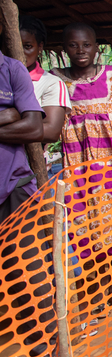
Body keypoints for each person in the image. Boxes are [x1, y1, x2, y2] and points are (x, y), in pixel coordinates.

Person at [51, 22, 112, 167]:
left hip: (111, 144)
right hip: (76, 146)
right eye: (73, 45)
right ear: (64, 48)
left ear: (96, 47)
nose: (80, 50)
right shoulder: (56, 77)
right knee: (81, 183)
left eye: (86, 45)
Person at [0, 20, 43, 224]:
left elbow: (34, 128)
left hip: (13, 187)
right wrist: (7, 116)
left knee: (22, 256)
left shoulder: (12, 69)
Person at [19, 16, 70, 165]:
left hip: (26, 165)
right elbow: (36, 128)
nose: (19, 52)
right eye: (11, 45)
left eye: (27, 46)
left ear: (40, 47)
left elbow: (51, 132)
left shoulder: (50, 83)